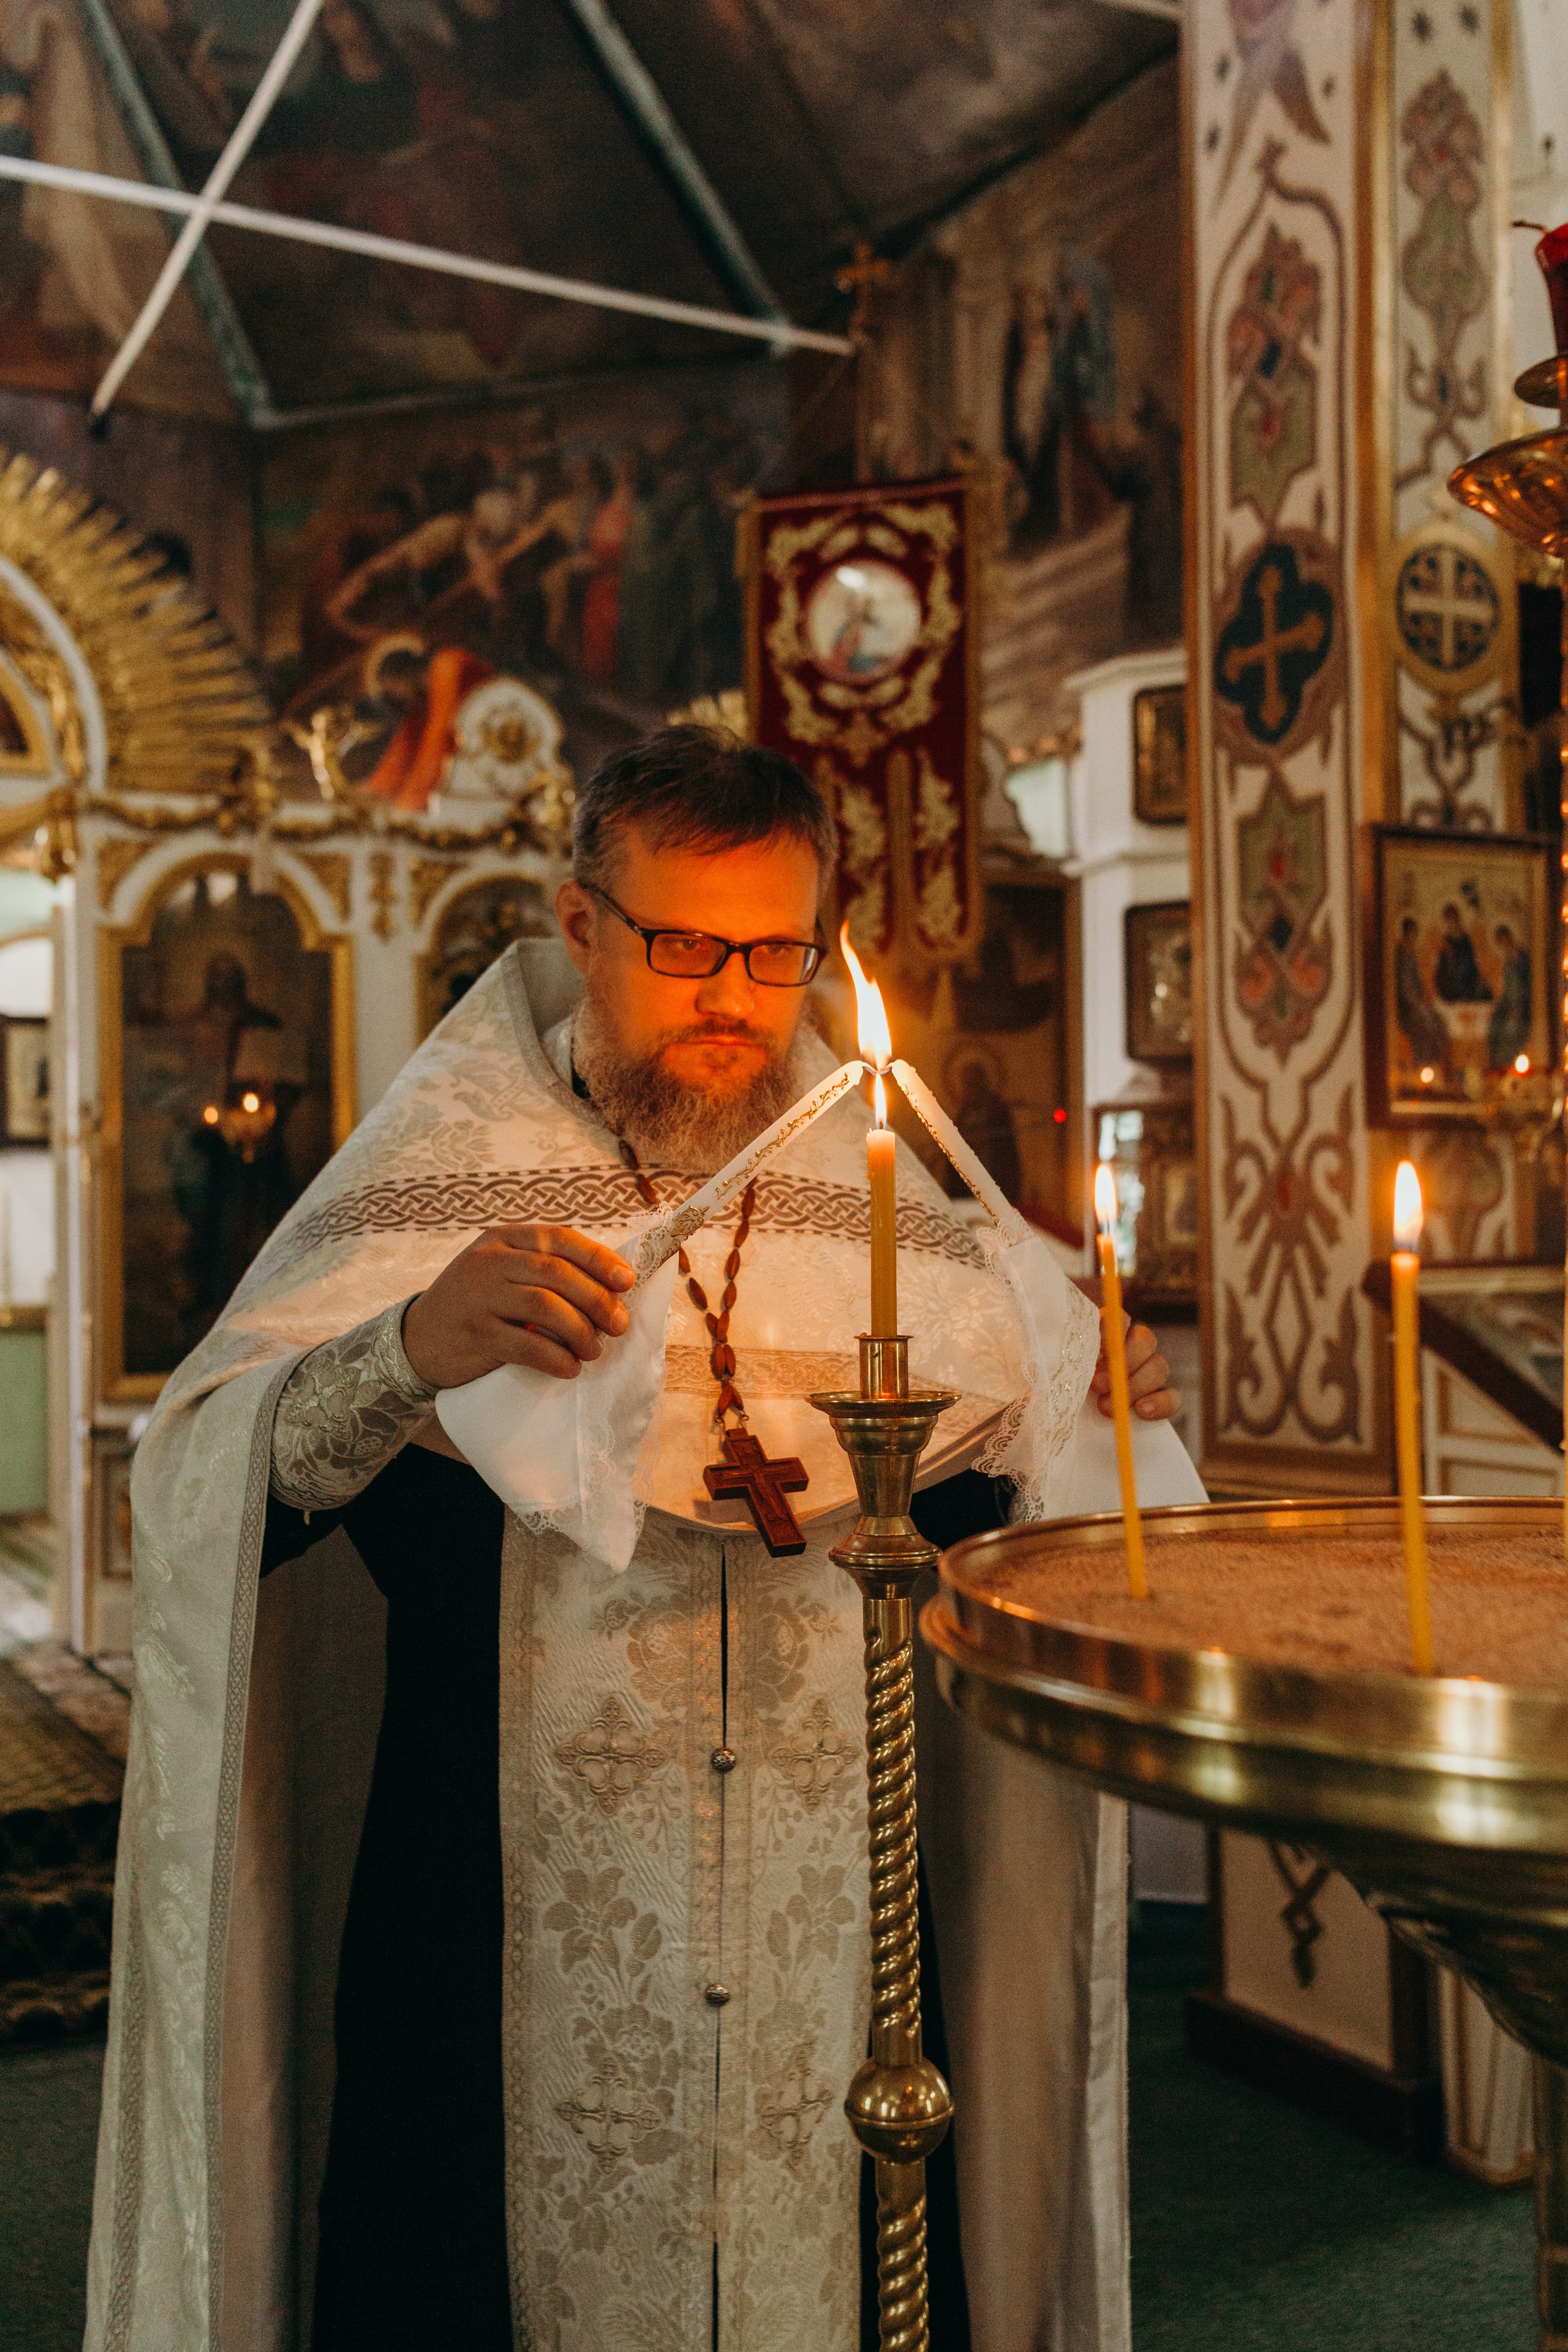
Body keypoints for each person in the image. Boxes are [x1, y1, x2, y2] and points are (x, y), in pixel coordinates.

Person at [88, 728, 1195, 2352]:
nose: (735, 998)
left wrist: (1087, 1393)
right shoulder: (440, 1169)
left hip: (840, 1921)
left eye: (775, 952)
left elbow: (996, 1503)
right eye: (684, 945)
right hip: (489, 1908)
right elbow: (208, 1483)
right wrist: (407, 1349)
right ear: (581, 923)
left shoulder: (888, 1191)